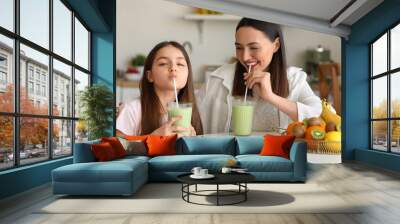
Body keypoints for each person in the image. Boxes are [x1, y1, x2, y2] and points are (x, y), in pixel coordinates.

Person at [197, 18, 322, 134]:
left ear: (276, 45)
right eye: (239, 48)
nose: (245, 57)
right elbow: (195, 121)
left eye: (254, 47)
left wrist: (271, 97)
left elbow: (319, 117)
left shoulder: (294, 79)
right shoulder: (219, 78)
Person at [117, 41, 203, 136]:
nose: (173, 68)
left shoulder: (194, 111)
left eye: (180, 64)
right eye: (163, 63)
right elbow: (117, 147)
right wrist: (153, 138)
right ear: (150, 76)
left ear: (188, 73)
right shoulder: (132, 110)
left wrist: (193, 143)